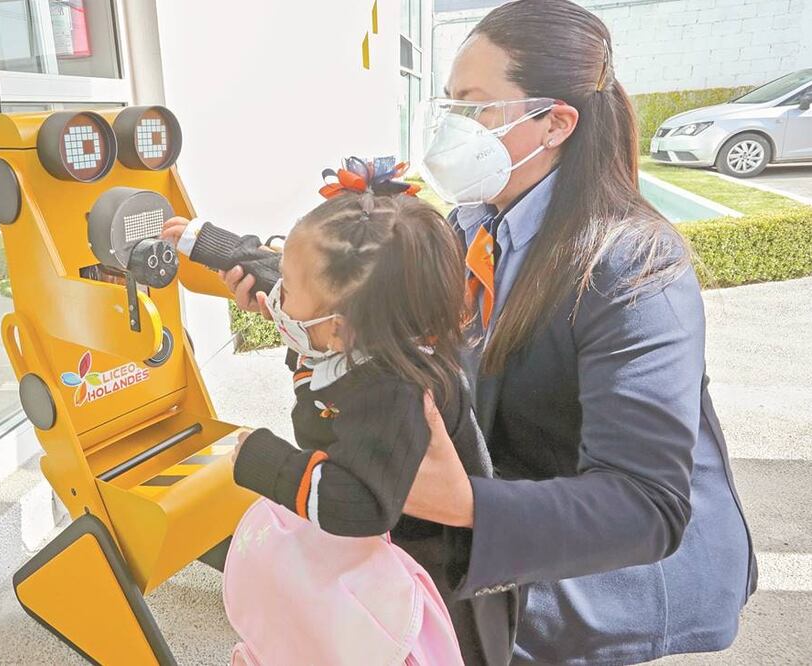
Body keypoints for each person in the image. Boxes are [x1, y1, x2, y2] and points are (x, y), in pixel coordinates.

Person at [210, 1, 757, 663]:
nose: (450, 127)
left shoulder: (634, 265)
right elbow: (371, 294)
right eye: (448, 104)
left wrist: (465, 501)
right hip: (498, 524)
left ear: (554, 122)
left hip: (601, 576)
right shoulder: (471, 223)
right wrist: (288, 294)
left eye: (473, 105)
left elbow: (645, 506)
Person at [165, 162, 510, 663]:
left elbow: (361, 506)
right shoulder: (378, 326)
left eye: (289, 285)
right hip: (392, 553)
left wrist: (264, 459)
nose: (277, 297)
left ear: (339, 329)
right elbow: (273, 275)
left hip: (428, 588)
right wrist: (207, 241)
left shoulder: (392, 394)